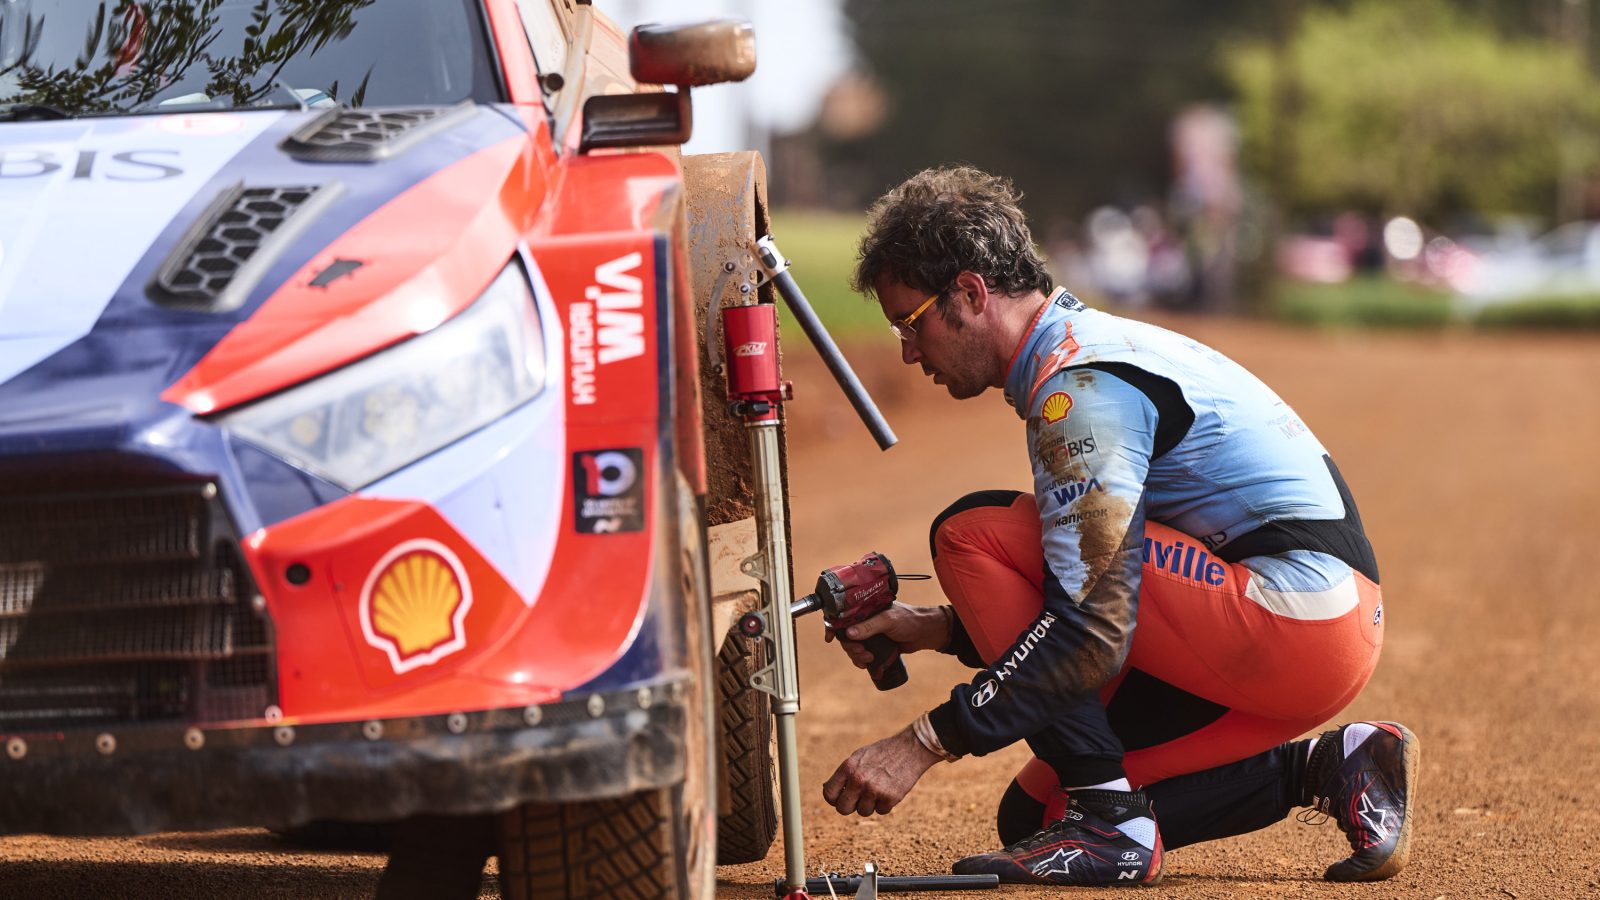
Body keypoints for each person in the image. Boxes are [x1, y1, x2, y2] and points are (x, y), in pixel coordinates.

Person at [819, 167, 1416, 886]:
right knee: (1037, 817)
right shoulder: (1089, 346)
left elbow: (1092, 629)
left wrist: (921, 742)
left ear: (971, 294)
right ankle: (1330, 766)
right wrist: (936, 629)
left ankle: (1110, 820)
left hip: (1293, 615)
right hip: (1313, 619)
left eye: (909, 323)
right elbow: (1105, 598)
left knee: (972, 531)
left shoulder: (1081, 388)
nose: (908, 352)